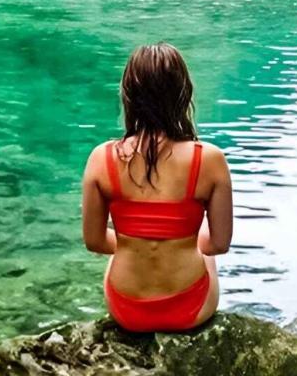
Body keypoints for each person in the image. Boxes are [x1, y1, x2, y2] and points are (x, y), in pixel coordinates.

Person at [81, 42, 233, 333]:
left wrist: (134, 240)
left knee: (120, 254)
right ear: (183, 94)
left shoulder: (102, 158)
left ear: (129, 95)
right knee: (205, 248)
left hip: (126, 310)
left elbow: (95, 242)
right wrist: (178, 239)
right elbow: (218, 244)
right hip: (190, 308)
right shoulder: (209, 159)